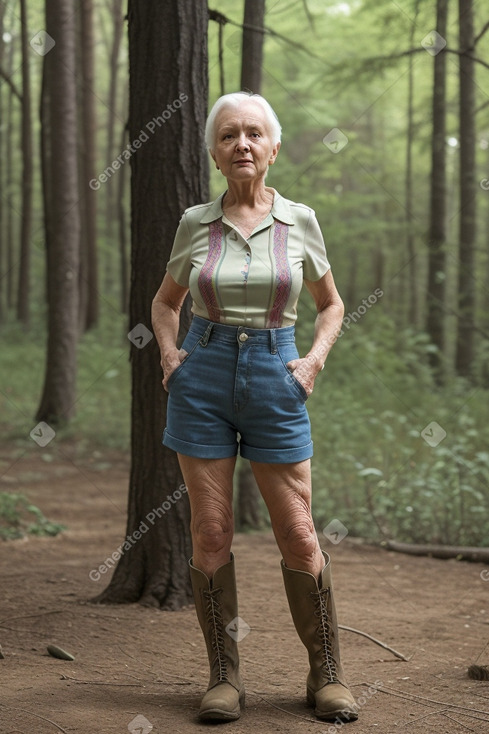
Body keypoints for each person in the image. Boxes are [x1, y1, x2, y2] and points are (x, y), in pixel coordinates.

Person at [151, 92, 357, 725]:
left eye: (253, 135)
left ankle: (326, 676)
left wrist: (312, 362)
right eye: (228, 136)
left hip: (277, 373)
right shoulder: (195, 223)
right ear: (215, 153)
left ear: (272, 148)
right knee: (211, 531)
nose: (241, 144)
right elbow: (164, 303)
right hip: (204, 371)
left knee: (297, 531)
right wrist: (169, 356)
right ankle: (223, 679)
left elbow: (332, 304)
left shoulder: (301, 221)